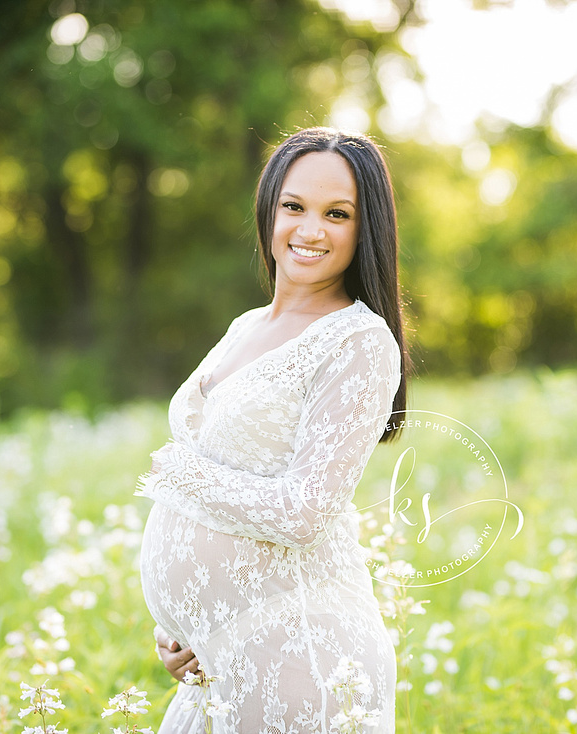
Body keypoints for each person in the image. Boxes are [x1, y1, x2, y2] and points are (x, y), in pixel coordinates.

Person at [137, 126, 410, 733]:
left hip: (302, 656)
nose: (310, 231)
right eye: (294, 206)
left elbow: (303, 511)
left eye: (337, 214)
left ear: (365, 231)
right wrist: (183, 624)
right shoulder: (245, 326)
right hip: (219, 659)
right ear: (268, 210)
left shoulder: (357, 343)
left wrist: (180, 475)